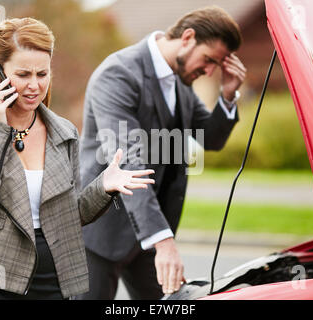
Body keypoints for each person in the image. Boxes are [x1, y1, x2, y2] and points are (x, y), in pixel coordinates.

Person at [0, 17, 155, 300]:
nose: (34, 85)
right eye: (23, 75)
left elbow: (71, 214)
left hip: (51, 281)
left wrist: (104, 185)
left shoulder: (64, 132)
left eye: (42, 74)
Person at [77, 6, 246, 300]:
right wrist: (164, 241)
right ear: (188, 37)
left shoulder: (180, 81)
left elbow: (211, 138)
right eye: (208, 60)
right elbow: (128, 162)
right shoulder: (119, 74)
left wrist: (228, 95)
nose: (209, 72)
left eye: (216, 65)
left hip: (150, 232)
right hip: (100, 232)